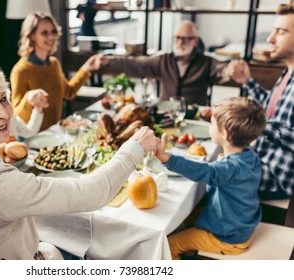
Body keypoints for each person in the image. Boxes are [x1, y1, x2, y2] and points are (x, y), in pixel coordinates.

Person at [0, 56, 159, 260]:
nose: (3, 113)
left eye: (2, 99)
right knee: (103, 249)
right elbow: (92, 193)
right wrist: (133, 148)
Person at [154, 97, 266, 260]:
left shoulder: (230, 168)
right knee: (179, 218)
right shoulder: (249, 156)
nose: (210, 127)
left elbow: (204, 172)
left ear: (224, 134)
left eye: (212, 124)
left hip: (227, 237)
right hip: (240, 223)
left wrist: (166, 158)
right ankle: (192, 247)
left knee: (169, 245)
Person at [227, 3, 294, 200]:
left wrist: (247, 119)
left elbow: (270, 122)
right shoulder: (289, 72)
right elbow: (271, 110)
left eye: (280, 32)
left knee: (204, 176)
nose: (270, 38)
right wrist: (247, 81)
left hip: (276, 178)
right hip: (259, 160)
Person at [99, 20, 230, 105]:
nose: (180, 43)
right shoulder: (164, 59)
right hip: (165, 115)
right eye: (177, 38)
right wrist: (107, 61)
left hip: (194, 116)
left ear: (195, 41)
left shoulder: (206, 62)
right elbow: (135, 64)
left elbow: (222, 69)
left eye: (185, 39)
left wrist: (230, 70)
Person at [10, 11, 103, 131]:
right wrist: (29, 99)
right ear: (32, 36)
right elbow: (16, 114)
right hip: (32, 138)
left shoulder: (54, 64)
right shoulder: (21, 70)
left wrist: (87, 68)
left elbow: (69, 92)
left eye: (53, 32)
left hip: (55, 133)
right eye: (45, 33)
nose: (51, 37)